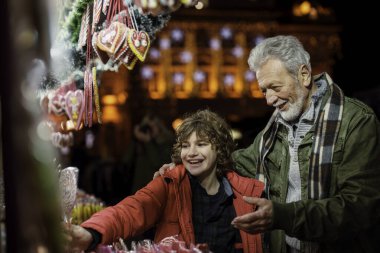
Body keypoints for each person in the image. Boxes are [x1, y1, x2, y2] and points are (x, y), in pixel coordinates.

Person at [228, 35, 380, 253]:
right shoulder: (274, 128)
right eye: (264, 90)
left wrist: (282, 216)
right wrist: (184, 162)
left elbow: (359, 209)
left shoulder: (358, 122)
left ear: (304, 75)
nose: (269, 100)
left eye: (275, 87)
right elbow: (239, 162)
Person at [65, 109, 265, 253]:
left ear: (219, 149)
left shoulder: (245, 192)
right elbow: (129, 211)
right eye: (186, 145)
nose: (191, 153)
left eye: (201, 144)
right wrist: (91, 233)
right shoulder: (169, 185)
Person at [123, 113, 175, 195]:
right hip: (138, 188)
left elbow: (158, 163)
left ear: (159, 126)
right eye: (146, 126)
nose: (149, 129)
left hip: (156, 189)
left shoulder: (167, 142)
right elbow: (126, 160)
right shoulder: (140, 142)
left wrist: (148, 142)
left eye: (152, 126)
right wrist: (135, 139)